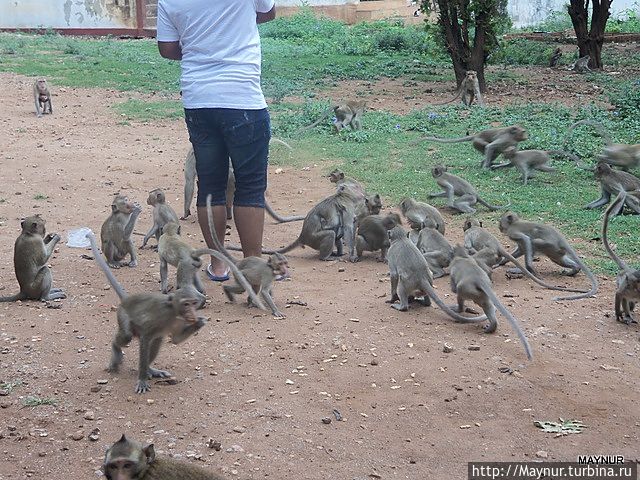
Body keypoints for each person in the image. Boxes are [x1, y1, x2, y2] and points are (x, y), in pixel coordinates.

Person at [157, 0, 276, 281]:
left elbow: (167, 48)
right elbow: (268, 12)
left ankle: (219, 265)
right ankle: (251, 269)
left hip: (199, 99)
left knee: (210, 184)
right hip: (242, 97)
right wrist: (232, 27)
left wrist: (202, 40)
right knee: (251, 185)